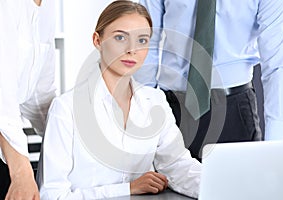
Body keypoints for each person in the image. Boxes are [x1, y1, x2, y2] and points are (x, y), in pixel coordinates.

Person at [37, 1, 201, 199]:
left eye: (142, 40)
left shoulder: (155, 101)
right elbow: (51, 195)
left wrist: (222, 187)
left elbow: (178, 166)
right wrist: (128, 189)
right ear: (97, 40)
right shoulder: (66, 108)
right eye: (120, 37)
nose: (132, 49)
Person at [134, 0, 283, 160]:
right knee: (166, 184)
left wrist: (275, 148)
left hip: (234, 113)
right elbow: (146, 42)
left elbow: (278, 67)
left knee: (239, 184)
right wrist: (144, 114)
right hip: (172, 110)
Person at [0, 0, 56, 199]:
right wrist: (21, 172)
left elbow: (40, 96)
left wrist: (68, 139)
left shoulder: (47, 7)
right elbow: (2, 98)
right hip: (8, 144)